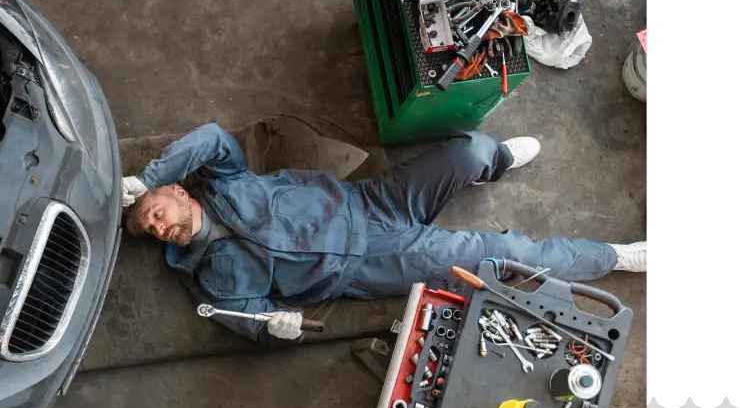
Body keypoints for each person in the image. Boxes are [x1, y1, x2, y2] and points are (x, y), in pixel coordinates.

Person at [121, 123, 647, 346]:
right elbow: (257, 324)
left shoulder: (222, 179)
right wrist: (275, 328)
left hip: (370, 201)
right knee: (504, 257)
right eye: (153, 230)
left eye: (154, 209)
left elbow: (211, 136)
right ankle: (613, 258)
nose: (160, 226)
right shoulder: (210, 284)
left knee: (471, 150)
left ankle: (499, 162)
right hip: (375, 263)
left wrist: (142, 178)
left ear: (176, 190)